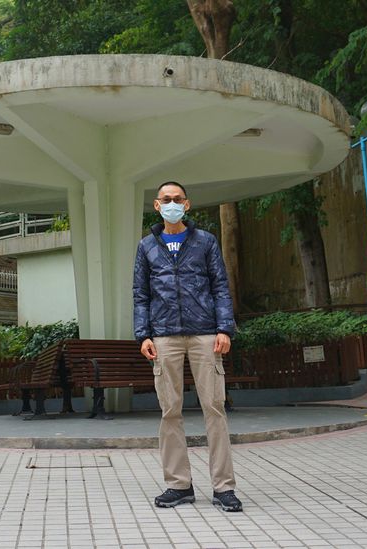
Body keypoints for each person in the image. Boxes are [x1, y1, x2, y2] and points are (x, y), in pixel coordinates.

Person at [132, 181, 242, 512]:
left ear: (187, 204)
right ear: (156, 205)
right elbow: (141, 293)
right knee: (170, 411)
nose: (172, 204)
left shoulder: (205, 241)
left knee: (214, 408)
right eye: (166, 199)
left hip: (205, 333)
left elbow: (221, 286)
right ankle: (179, 485)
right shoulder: (146, 246)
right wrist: (143, 334)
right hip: (164, 335)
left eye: (177, 199)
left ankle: (224, 488)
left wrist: (224, 328)